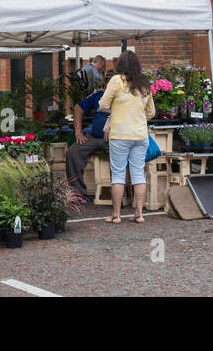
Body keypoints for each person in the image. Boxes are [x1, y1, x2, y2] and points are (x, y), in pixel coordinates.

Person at [97, 50, 155, 224]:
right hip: (140, 135)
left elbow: (102, 104)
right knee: (138, 174)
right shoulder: (144, 85)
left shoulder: (117, 81)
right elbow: (151, 112)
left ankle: (116, 215)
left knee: (118, 175)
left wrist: (115, 109)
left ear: (120, 65)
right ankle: (139, 214)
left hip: (120, 135)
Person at [66, 61, 113, 196]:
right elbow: (78, 108)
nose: (109, 84)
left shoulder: (122, 97)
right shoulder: (99, 96)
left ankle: (116, 194)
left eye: (111, 81)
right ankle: (78, 194)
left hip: (113, 138)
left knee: (120, 156)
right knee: (72, 152)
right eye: (107, 81)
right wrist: (78, 131)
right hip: (94, 137)